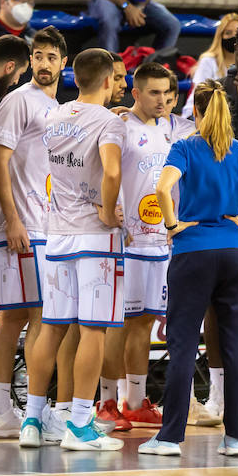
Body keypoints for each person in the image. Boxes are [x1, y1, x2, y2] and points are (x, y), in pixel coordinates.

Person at [138, 80, 238, 457]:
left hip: (192, 254)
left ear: (198, 114)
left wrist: (172, 224)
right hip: (234, 255)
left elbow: (161, 188)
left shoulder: (186, 147)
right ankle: (236, 437)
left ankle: (170, 438)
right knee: (237, 345)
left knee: (184, 344)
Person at [20, 48, 126, 452]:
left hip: (58, 232)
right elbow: (112, 171)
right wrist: (108, 210)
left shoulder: (55, 115)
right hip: (95, 236)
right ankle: (80, 424)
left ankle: (33, 419)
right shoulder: (108, 122)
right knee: (93, 329)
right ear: (106, 81)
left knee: (52, 327)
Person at [98, 63, 195, 432]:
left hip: (160, 242)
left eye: (167, 94)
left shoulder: (172, 130)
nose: (162, 100)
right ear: (135, 93)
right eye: (153, 93)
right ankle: (106, 402)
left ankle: (134, 402)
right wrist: (106, 208)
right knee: (117, 325)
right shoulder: (119, 126)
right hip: (127, 241)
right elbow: (98, 172)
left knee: (143, 324)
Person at [0, 27, 67, 439]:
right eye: (38, 56)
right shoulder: (18, 100)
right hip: (22, 224)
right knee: (37, 317)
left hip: (47, 224)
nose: (44, 63)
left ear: (63, 63)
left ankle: (3, 411)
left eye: (52, 57)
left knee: (14, 316)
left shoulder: (58, 109)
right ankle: (30, 409)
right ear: (29, 60)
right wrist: (12, 219)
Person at [183, 13, 238, 116]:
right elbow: (199, 95)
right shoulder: (208, 60)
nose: (233, 37)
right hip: (204, 115)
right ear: (220, 37)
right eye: (228, 33)